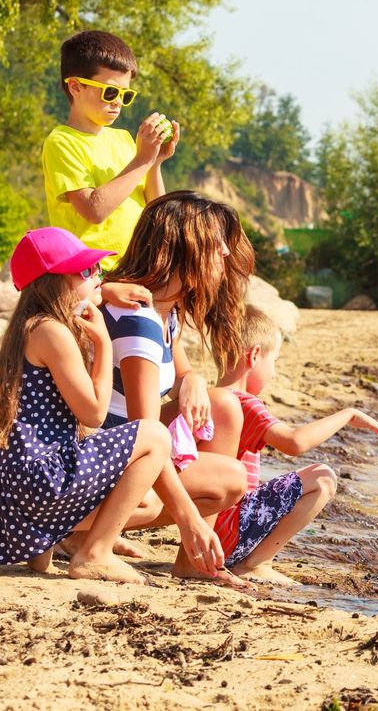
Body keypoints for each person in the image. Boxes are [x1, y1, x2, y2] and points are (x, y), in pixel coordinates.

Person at [0, 228, 223, 584]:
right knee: (153, 435)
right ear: (54, 283)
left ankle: (46, 546)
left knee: (147, 502)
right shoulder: (52, 332)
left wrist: (103, 290)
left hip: (21, 485)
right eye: (87, 271)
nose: (98, 276)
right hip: (43, 481)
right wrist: (104, 344)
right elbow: (93, 413)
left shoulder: (28, 328)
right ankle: (95, 554)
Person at [98, 190, 254, 585]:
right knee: (230, 479)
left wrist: (194, 380)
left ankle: (193, 563)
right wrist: (189, 519)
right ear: (185, 247)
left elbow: (180, 373)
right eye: (216, 243)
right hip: (96, 463)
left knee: (223, 405)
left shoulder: (164, 310)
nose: (225, 253)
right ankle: (89, 537)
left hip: (115, 449)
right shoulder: (139, 319)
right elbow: (145, 435)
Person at [214, 306, 378, 584]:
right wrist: (348, 415)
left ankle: (252, 560)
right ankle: (256, 563)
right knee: (322, 477)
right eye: (275, 361)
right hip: (229, 535)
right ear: (254, 355)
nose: (273, 373)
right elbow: (295, 443)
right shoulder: (244, 403)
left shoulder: (211, 398)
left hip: (208, 533)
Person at [42, 30, 179, 266]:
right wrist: (143, 160)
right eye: (111, 91)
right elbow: (94, 211)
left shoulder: (124, 139)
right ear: (75, 86)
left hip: (134, 268)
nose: (117, 102)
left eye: (125, 95)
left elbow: (159, 213)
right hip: (91, 274)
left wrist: (155, 162)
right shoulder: (62, 142)